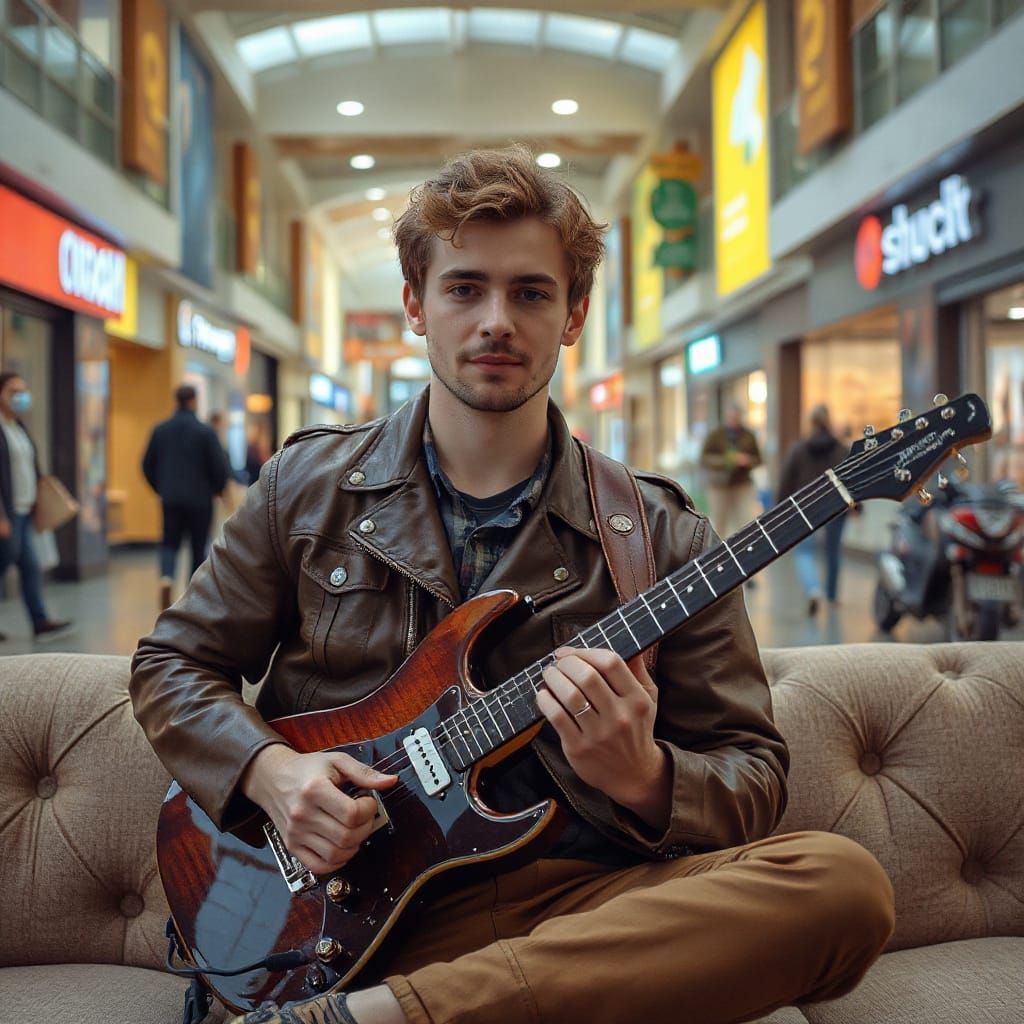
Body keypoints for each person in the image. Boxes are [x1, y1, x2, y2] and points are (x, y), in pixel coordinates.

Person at [130, 147, 893, 1024]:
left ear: (572, 316)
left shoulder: (665, 536)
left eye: (532, 292)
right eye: (465, 288)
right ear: (416, 303)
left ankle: (376, 1018)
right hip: (348, 910)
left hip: (580, 915)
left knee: (841, 887)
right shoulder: (305, 490)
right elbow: (170, 664)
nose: (497, 320)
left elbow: (753, 777)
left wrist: (644, 776)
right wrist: (269, 773)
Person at [0, 371, 75, 642]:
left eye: (23, 390)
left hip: (24, 510)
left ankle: (40, 622)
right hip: (8, 513)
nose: (20, 396)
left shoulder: (18, 427)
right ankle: (40, 620)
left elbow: (28, 466)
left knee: (30, 566)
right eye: (13, 390)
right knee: (6, 562)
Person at [142, 384, 229, 610]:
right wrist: (217, 489)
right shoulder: (205, 431)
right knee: (197, 545)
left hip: (170, 498)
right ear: (194, 401)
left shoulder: (160, 430)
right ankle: (193, 592)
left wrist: (161, 488)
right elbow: (218, 466)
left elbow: (146, 464)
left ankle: (166, 578)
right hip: (200, 500)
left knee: (169, 541)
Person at [777, 405, 851, 616]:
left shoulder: (798, 449)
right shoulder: (842, 449)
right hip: (837, 506)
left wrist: (780, 508)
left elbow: (786, 481)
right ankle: (832, 595)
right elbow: (852, 478)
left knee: (804, 552)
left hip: (805, 507)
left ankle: (813, 589)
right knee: (833, 551)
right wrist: (858, 506)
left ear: (811, 423)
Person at [699, 402, 762, 542]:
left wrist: (747, 461)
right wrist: (726, 460)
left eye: (736, 417)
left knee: (745, 520)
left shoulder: (748, 435)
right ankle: (717, 552)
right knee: (719, 522)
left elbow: (758, 459)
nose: (734, 420)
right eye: (731, 417)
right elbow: (704, 458)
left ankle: (746, 548)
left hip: (742, 484)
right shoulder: (716, 435)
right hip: (719, 485)